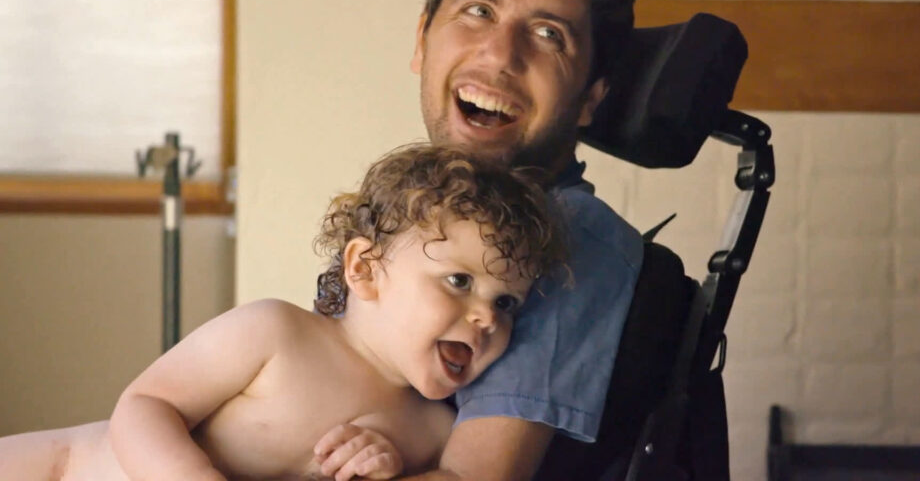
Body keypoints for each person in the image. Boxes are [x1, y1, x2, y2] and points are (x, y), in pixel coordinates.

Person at [0, 144, 567, 481]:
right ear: (364, 269)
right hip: (61, 468)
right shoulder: (277, 333)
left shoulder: (431, 432)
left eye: (505, 301)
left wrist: (381, 467)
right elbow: (145, 405)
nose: (486, 317)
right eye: (459, 280)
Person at [402, 0, 644, 479]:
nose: (500, 55)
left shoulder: (565, 241)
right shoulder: (401, 219)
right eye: (478, 10)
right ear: (422, 40)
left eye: (547, 34)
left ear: (591, 96)